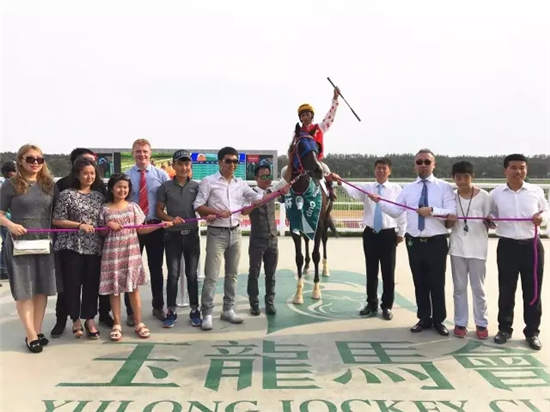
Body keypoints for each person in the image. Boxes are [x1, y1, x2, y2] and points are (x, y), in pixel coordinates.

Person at [370, 149, 456, 336]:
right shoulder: (408, 189)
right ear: (414, 166)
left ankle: (439, 320)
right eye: (419, 162)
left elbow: (452, 210)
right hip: (414, 242)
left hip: (436, 241)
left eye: (427, 162)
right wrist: (379, 202)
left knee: (437, 283)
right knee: (420, 282)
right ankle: (424, 318)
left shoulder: (444, 187)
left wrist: (432, 211)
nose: (423, 165)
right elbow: (395, 211)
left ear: (434, 165)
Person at [194, 146, 263, 331]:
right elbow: (198, 205)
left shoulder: (240, 183)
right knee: (212, 276)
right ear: (220, 162)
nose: (232, 164)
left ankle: (228, 310)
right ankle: (207, 313)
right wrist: (216, 212)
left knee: (232, 275)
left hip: (236, 233)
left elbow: (258, 197)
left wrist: (254, 204)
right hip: (216, 233)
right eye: (228, 161)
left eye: (235, 161)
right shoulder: (208, 181)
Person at [50, 148, 114, 338]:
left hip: (94, 248)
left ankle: (90, 319)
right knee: (71, 285)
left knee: (91, 285)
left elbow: (103, 219)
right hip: (71, 247)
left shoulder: (99, 196)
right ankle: (75, 319)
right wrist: (79, 225)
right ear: (77, 174)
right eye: (85, 173)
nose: (89, 177)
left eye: (92, 173)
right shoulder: (66, 194)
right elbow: (57, 220)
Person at [99, 173, 172, 341]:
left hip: (131, 253)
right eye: (119, 187)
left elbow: (141, 229)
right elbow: (100, 233)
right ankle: (117, 324)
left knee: (133, 289)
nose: (122, 190)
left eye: (125, 187)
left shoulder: (133, 207)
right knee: (114, 290)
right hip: (112, 255)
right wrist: (108, 225)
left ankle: (139, 323)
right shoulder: (104, 209)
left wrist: (160, 225)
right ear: (111, 188)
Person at [0, 144, 57, 353]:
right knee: (24, 290)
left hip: (44, 242)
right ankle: (31, 335)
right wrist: (11, 225)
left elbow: (57, 214)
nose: (35, 163)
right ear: (20, 161)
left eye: (39, 159)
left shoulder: (49, 184)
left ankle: (37, 330)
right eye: (30, 159)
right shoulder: (11, 185)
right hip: (19, 244)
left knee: (41, 289)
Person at [334, 158, 406, 320]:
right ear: (374, 170)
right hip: (370, 234)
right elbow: (353, 192)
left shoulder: (396, 189)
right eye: (378, 168)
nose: (381, 171)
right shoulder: (367, 187)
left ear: (389, 171)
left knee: (388, 272)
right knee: (371, 271)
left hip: (388, 234)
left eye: (384, 168)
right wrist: (340, 182)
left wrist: (401, 232)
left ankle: (387, 306)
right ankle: (371, 304)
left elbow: (402, 212)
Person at [490, 154, 548, 350]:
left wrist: (542, 219)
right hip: (507, 246)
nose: (518, 171)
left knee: (533, 291)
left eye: (522, 167)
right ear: (505, 170)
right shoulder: (496, 193)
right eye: (513, 167)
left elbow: (547, 211)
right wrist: (490, 219)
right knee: (506, 290)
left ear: (526, 170)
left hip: (532, 247)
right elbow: (491, 213)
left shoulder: (535, 191)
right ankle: (504, 329)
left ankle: (532, 332)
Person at [156, 150, 202, 328]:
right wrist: (171, 219)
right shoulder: (165, 187)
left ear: (190, 166)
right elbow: (159, 211)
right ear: (173, 166)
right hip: (172, 236)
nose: (184, 167)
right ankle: (171, 311)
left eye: (187, 164)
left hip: (192, 235)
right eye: (180, 164)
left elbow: (204, 207)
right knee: (173, 275)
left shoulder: (197, 187)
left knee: (192, 274)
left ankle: (195, 310)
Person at [447, 161, 491, 339]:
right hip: (457, 249)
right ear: (453, 178)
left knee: (478, 288)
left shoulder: (485, 196)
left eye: (466, 177)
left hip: (478, 249)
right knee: (459, 288)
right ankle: (460, 322)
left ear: (472, 176)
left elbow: (492, 220)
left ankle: (481, 323)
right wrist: (450, 220)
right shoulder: (451, 197)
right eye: (458, 177)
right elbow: (447, 224)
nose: (462, 181)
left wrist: (490, 221)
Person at [127, 138, 169, 323]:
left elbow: (169, 198)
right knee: (131, 269)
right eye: (138, 151)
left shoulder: (161, 175)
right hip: (132, 228)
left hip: (155, 227)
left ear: (150, 153)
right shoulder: (126, 176)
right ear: (133, 153)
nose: (141, 154)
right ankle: (131, 312)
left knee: (156, 268)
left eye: (145, 151)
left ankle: (158, 306)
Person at [243, 160, 280, 316]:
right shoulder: (250, 194)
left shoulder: (272, 191)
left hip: (273, 239)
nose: (266, 179)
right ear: (256, 178)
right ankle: (254, 303)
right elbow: (244, 211)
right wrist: (254, 204)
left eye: (268, 176)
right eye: (263, 176)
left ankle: (270, 302)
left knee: (271, 274)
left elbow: (286, 182)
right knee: (254, 273)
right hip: (257, 240)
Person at [0, 160, 17, 280]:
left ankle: (3, 268)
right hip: (6, 220)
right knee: (7, 244)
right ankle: (4, 268)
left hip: (6, 219)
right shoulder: (7, 185)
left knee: (5, 244)